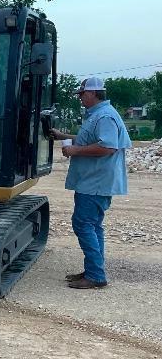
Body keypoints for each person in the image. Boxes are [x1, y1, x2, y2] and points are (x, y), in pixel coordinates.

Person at [51, 76, 131, 289]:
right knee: (93, 225)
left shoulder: (104, 117)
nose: (80, 98)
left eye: (82, 94)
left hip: (95, 183)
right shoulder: (98, 115)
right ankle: (94, 270)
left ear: (94, 93)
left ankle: (96, 275)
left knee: (83, 223)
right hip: (93, 181)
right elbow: (90, 139)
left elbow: (108, 147)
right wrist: (63, 136)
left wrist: (74, 150)